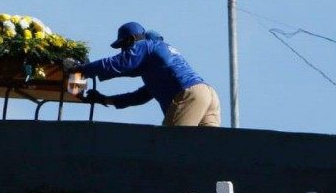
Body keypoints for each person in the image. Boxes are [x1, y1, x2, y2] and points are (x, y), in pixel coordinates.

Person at [66, 22, 221, 127]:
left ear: (132, 39)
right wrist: (105, 99)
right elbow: (139, 97)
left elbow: (118, 63)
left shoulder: (145, 46)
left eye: (123, 45)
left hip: (188, 95)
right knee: (207, 149)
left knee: (172, 146)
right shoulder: (158, 62)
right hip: (208, 94)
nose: (123, 51)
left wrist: (81, 70)